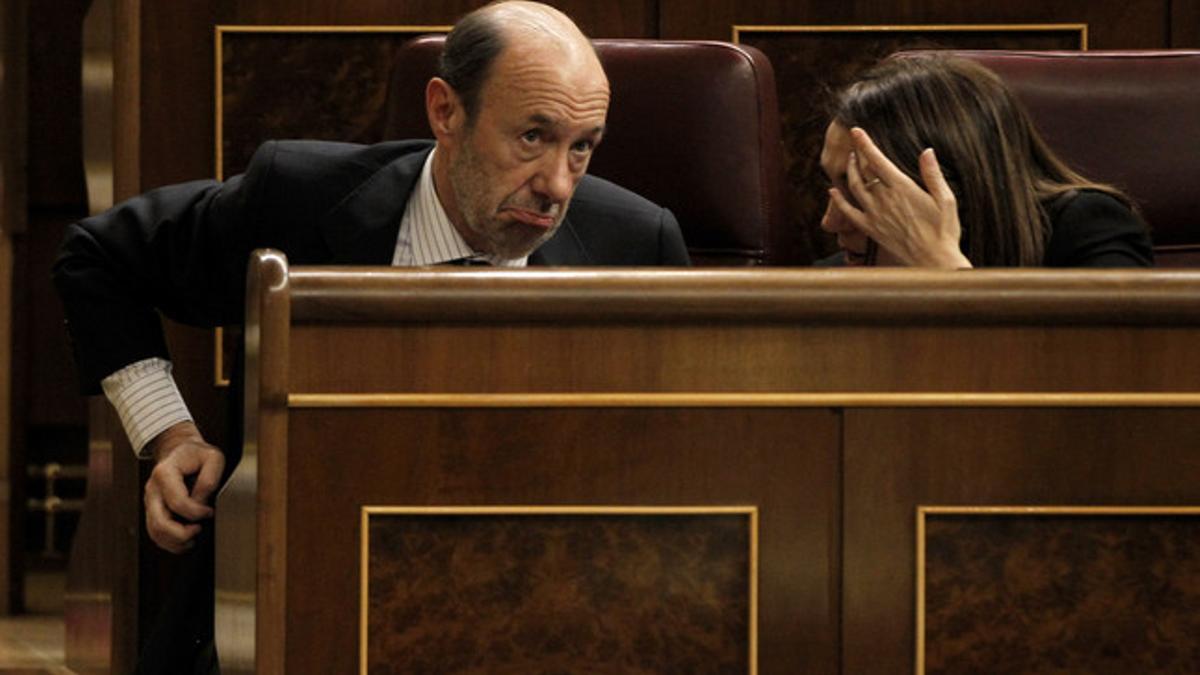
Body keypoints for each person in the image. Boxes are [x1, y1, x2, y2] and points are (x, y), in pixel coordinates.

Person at [52, 2, 688, 671]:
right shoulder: (298, 199)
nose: (558, 184)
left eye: (582, 145)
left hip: (541, 611)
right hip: (301, 586)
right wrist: (169, 435)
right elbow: (97, 257)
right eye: (533, 136)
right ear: (445, 112)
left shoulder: (636, 242)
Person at [817, 53, 1153, 268]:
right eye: (832, 186)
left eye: (861, 190)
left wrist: (940, 267)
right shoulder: (828, 281)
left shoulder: (1089, 230)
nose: (830, 222)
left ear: (951, 188)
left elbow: (1100, 372)